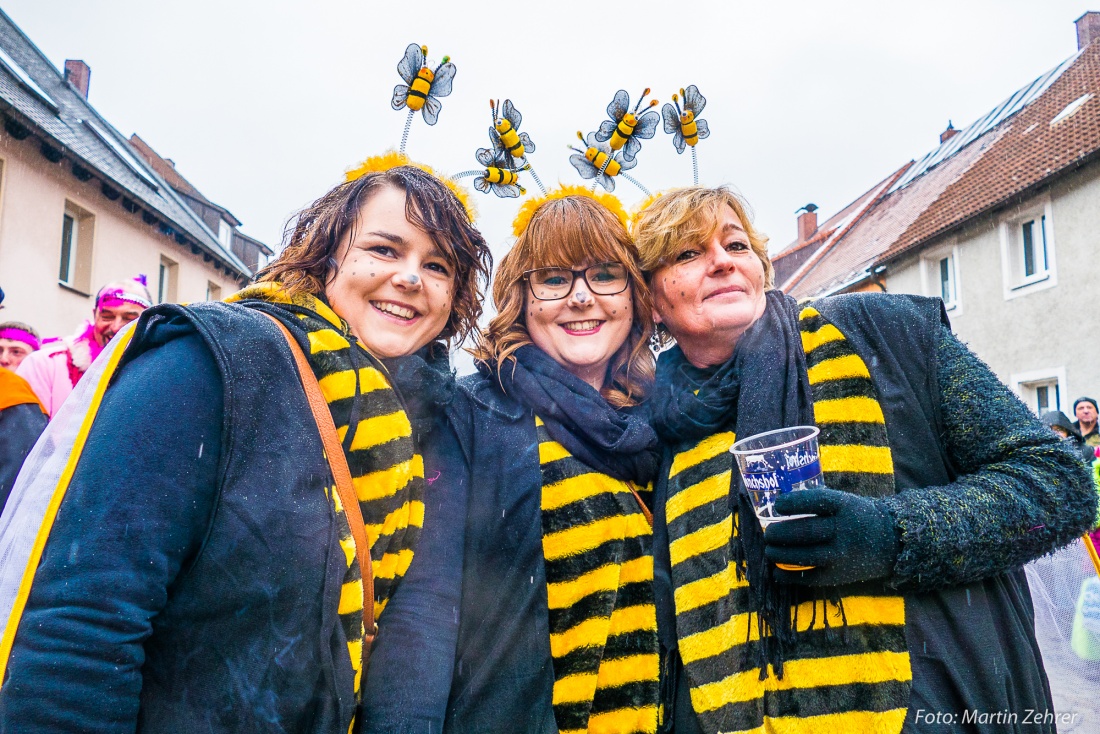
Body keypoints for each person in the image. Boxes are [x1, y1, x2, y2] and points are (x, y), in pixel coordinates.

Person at [0, 164, 491, 734]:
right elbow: (81, 620)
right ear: (325, 253)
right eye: (384, 249)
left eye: (437, 266)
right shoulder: (214, 362)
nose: (410, 278)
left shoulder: (412, 423)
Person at [632, 186, 1096, 734]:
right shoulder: (661, 427)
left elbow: (1060, 484)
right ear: (653, 301)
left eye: (736, 245)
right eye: (688, 253)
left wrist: (889, 536)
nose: (721, 261)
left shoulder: (881, 335)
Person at [446, 191, 661, 733]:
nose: (581, 297)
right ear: (522, 298)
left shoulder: (662, 423)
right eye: (553, 279)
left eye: (605, 275)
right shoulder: (474, 414)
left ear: (634, 295)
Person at [16, 277, 151, 416]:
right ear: (94, 315)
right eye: (107, 316)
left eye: (130, 319)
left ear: (149, 321)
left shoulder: (155, 372)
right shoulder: (43, 365)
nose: (116, 327)